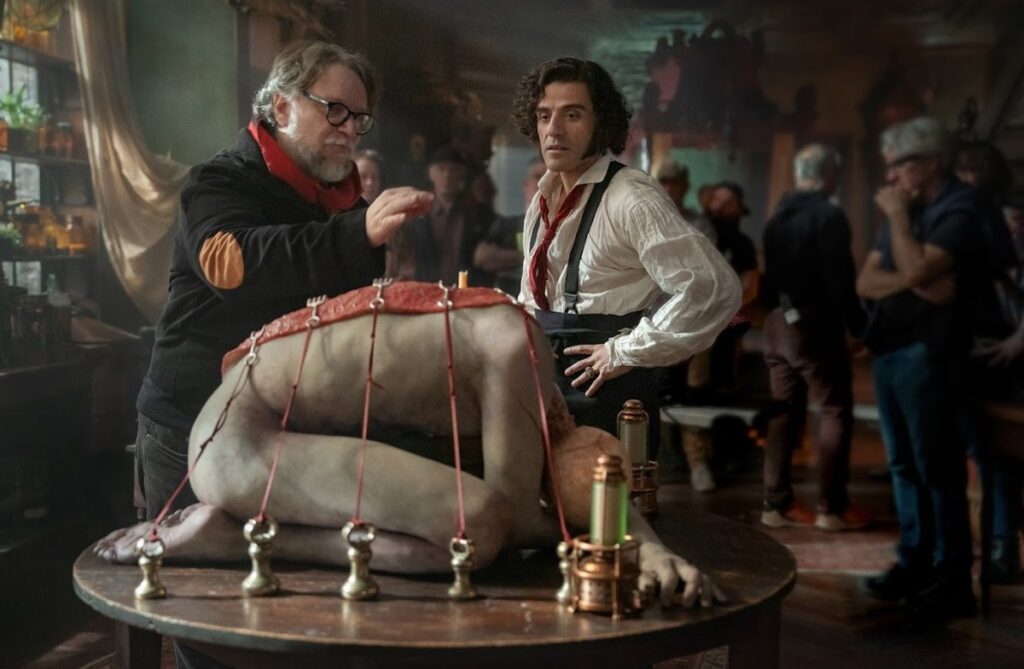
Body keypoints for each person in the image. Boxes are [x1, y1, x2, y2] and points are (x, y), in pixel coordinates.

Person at [97, 285, 727, 610]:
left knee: (468, 516)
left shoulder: (498, 331)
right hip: (237, 442)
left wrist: (641, 539)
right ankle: (233, 539)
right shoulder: (516, 349)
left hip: (245, 427)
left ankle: (239, 530)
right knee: (478, 529)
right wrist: (631, 542)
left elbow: (585, 478)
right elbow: (515, 516)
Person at [135, 41, 433, 524]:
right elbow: (232, 264)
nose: (349, 129)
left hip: (288, 421)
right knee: (188, 563)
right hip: (191, 418)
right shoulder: (219, 181)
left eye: (359, 118)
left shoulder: (342, 203)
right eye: (335, 110)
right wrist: (357, 233)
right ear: (281, 107)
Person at [510, 56, 741, 453]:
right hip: (544, 382)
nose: (554, 129)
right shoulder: (543, 197)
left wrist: (625, 351)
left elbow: (713, 288)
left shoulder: (631, 196)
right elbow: (533, 298)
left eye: (572, 115)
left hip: (608, 389)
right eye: (544, 115)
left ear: (600, 122)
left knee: (611, 493)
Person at [856, 116, 983, 619]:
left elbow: (910, 268)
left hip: (930, 353)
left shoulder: (961, 208)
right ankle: (914, 564)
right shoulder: (907, 208)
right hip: (891, 351)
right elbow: (866, 282)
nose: (890, 178)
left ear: (931, 161)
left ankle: (952, 579)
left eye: (899, 166)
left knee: (937, 469)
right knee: (904, 467)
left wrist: (899, 228)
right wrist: (916, 279)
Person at [759, 144, 868, 531]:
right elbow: (840, 281)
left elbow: (769, 281)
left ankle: (776, 505)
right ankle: (831, 508)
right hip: (813, 324)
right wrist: (860, 327)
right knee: (835, 409)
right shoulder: (828, 215)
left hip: (776, 324)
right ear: (829, 175)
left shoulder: (777, 218)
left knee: (783, 413)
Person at [388, 146, 494, 286]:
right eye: (441, 169)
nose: (447, 175)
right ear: (431, 173)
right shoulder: (417, 212)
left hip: (467, 290)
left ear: (461, 174)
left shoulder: (476, 213)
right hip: (425, 289)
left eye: (453, 169)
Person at [474, 157, 546, 294]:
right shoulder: (507, 225)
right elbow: (481, 257)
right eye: (538, 176)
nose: (543, 182)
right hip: (509, 301)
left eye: (548, 177)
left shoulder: (562, 228)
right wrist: (531, 258)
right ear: (525, 185)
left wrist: (506, 257)